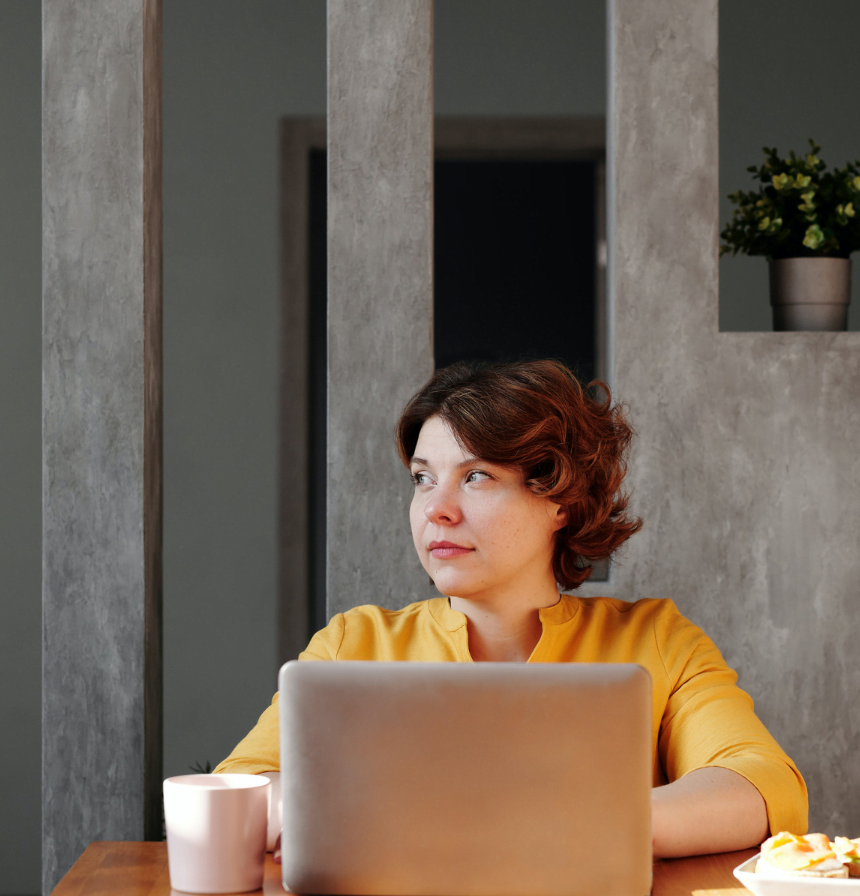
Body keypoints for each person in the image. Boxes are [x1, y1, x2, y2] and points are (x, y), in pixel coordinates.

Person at [216, 359, 807, 857]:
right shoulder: (354, 644)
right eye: (423, 479)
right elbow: (233, 790)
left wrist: (552, 826)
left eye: (475, 476)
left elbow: (762, 785)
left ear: (561, 502)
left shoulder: (656, 639)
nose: (436, 510)